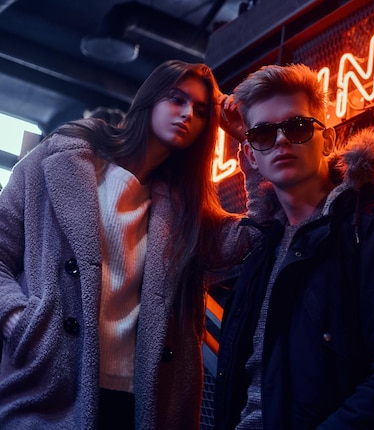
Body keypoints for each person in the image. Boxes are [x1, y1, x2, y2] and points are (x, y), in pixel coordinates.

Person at [0, 59, 250, 429]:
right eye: (176, 99)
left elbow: (253, 238)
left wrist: (248, 137)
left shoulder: (184, 211)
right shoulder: (64, 159)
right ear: (149, 98)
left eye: (199, 110)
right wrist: (20, 323)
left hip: (139, 403)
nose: (186, 114)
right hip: (48, 387)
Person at [214, 63, 374, 429]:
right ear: (251, 156)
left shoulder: (372, 225)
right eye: (263, 134)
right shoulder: (262, 251)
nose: (282, 140)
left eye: (298, 126)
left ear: (329, 140)